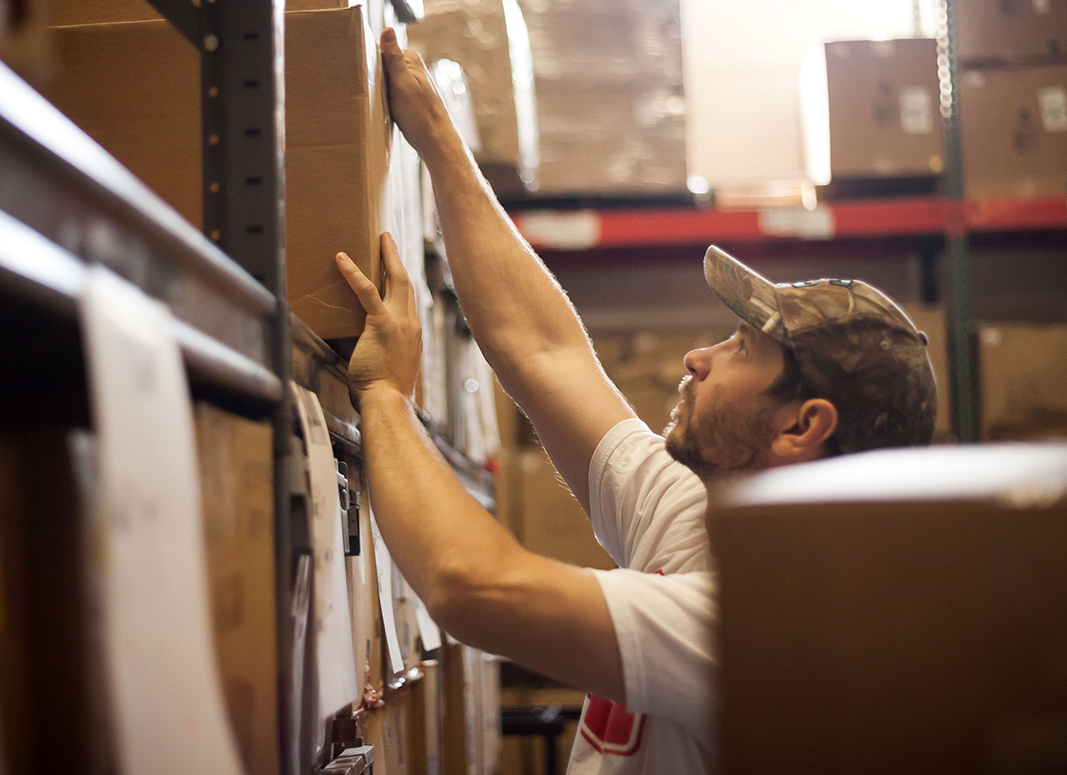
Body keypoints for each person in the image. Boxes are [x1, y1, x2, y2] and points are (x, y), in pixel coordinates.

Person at [331, 30, 939, 775]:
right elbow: (544, 350)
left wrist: (385, 396)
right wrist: (439, 140)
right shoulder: (696, 506)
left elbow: (469, 585)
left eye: (743, 351)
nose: (698, 358)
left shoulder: (772, 623)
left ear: (802, 425)